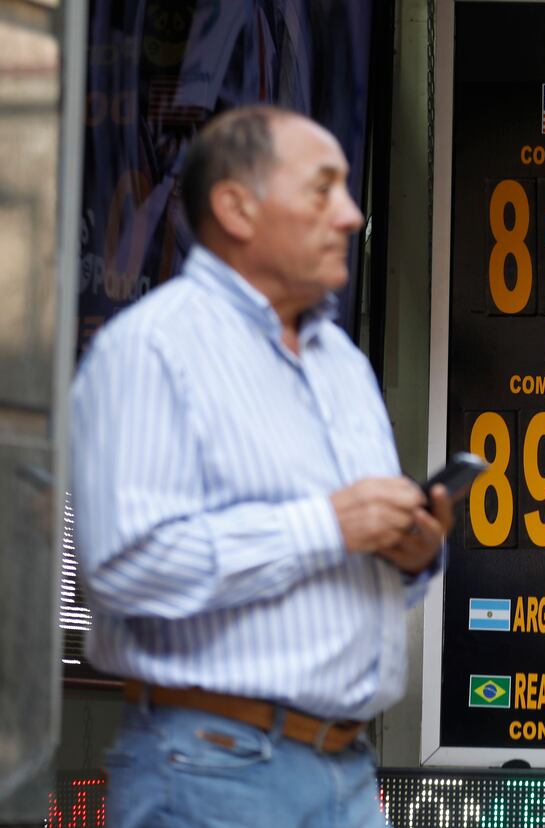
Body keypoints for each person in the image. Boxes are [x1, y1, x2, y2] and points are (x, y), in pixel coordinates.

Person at [70, 106, 452, 827]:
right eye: (322, 189)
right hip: (215, 768)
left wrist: (408, 554)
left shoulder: (340, 362)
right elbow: (122, 565)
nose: (350, 214)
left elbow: (338, 566)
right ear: (236, 207)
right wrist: (329, 525)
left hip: (345, 769)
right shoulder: (153, 349)